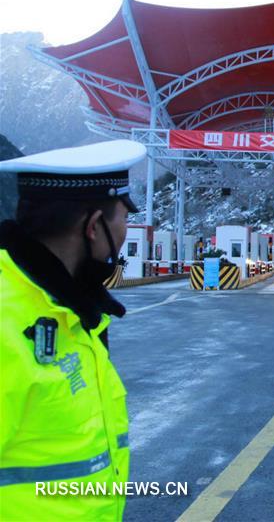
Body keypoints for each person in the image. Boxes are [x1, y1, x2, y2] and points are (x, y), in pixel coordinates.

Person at [0, 139, 146, 520]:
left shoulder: (69, 309)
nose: (127, 232)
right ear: (95, 226)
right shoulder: (7, 320)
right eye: (124, 219)